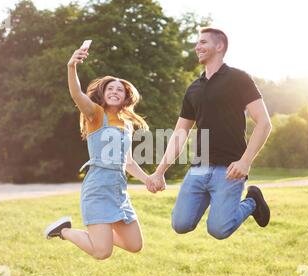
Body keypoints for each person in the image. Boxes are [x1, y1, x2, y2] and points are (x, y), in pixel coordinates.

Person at [147, 27, 272, 239]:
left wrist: (245, 161)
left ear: (219, 46)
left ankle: (252, 201)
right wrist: (159, 171)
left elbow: (264, 123)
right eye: (198, 43)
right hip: (198, 167)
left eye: (203, 42)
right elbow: (180, 133)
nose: (197, 47)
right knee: (180, 224)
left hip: (229, 168)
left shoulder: (238, 78)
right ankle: (236, 203)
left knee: (218, 230)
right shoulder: (194, 88)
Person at [44, 44, 152, 260]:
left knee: (135, 244)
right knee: (102, 252)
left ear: (126, 96)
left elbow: (128, 162)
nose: (114, 91)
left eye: (119, 89)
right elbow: (76, 94)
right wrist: (72, 66)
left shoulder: (127, 124)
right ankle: (63, 230)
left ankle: (99, 234)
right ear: (103, 93)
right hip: (98, 187)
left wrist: (147, 179)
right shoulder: (96, 114)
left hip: (119, 190)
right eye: (110, 88)